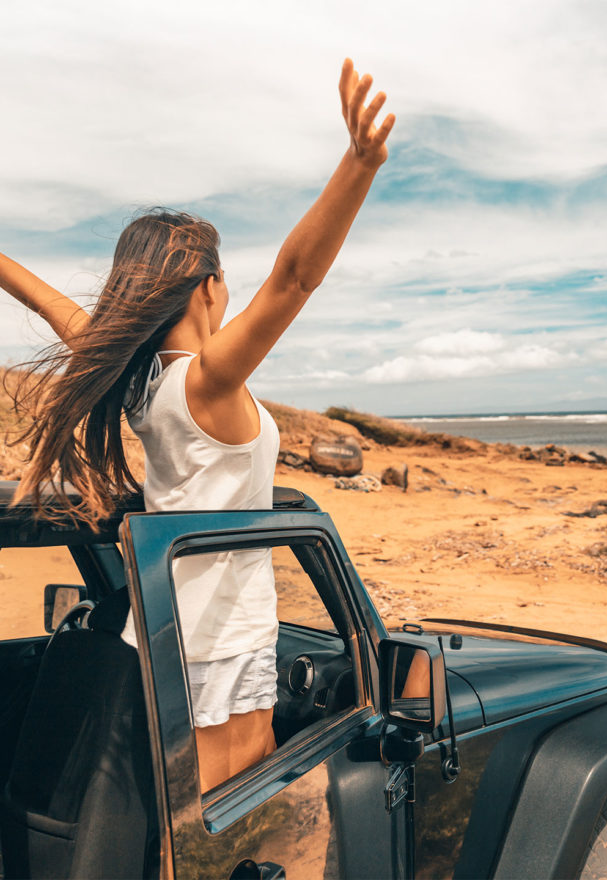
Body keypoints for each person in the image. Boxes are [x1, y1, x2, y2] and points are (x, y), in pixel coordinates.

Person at [0, 58, 394, 791]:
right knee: (207, 833)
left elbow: (47, 303)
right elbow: (295, 279)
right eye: (226, 284)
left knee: (212, 816)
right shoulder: (207, 383)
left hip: (171, 628)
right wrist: (358, 165)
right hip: (216, 640)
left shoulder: (139, 381)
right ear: (209, 288)